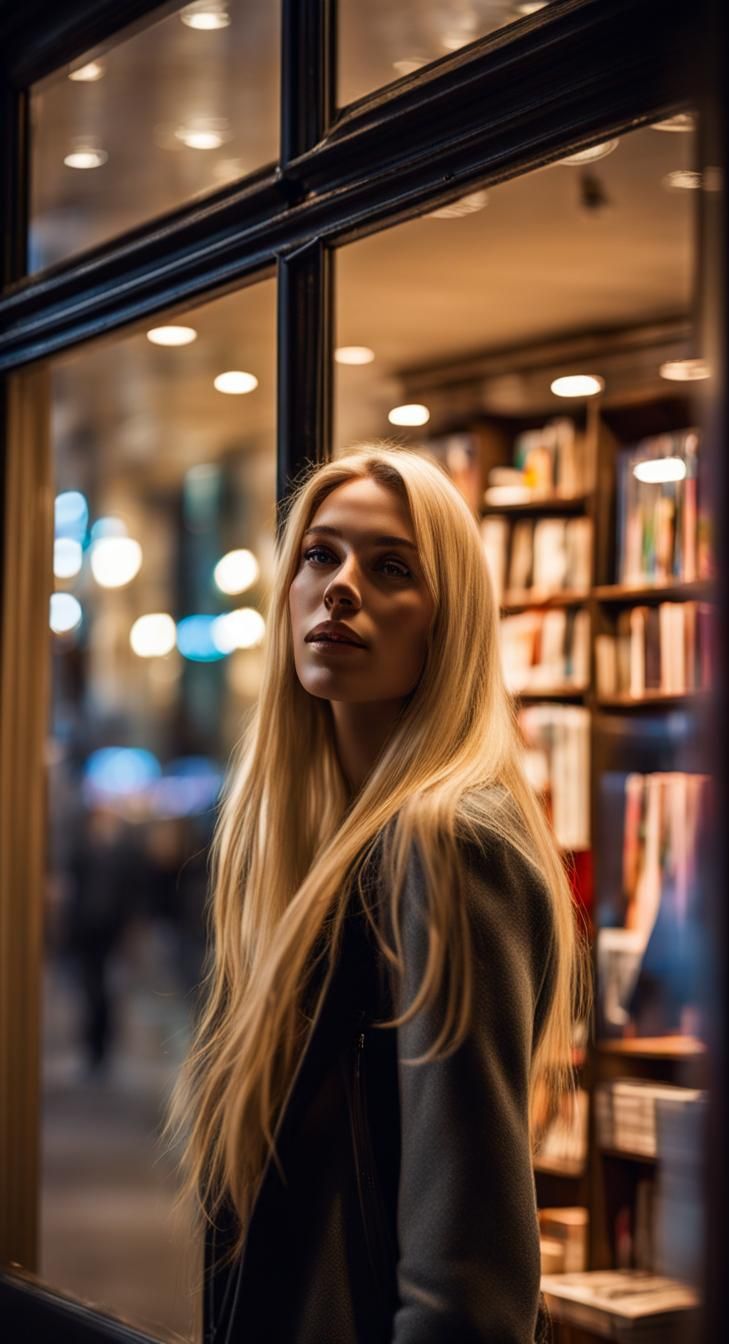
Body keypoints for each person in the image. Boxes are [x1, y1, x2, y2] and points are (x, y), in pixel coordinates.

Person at [162, 444, 592, 1343]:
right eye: (320, 555)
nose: (341, 587)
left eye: (390, 566)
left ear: (449, 622)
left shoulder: (448, 840)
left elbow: (465, 1286)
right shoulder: (310, 844)